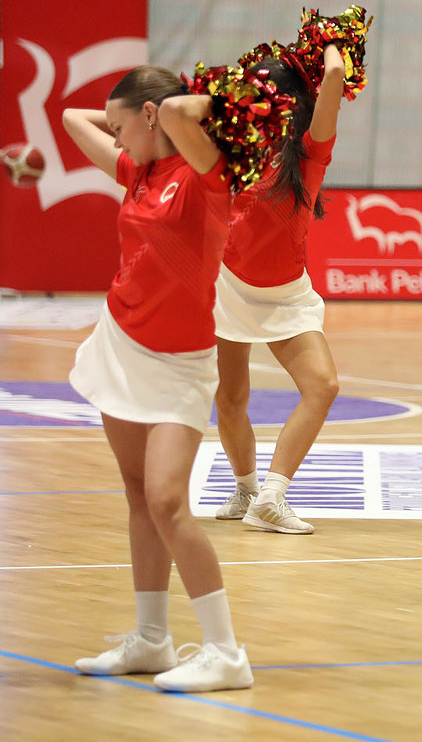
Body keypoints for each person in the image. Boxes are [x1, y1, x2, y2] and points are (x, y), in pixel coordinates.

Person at [62, 67, 260, 691]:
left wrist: (204, 100)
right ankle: (152, 640)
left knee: (169, 501)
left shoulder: (207, 176)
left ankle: (226, 653)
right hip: (121, 342)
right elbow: (71, 118)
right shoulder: (137, 170)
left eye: (122, 126)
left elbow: (176, 112)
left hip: (180, 362)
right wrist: (128, 119)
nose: (114, 138)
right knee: (138, 495)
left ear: (151, 116)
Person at [212, 45, 348, 534]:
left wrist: (324, 42)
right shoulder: (233, 150)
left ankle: (272, 496)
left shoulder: (310, 154)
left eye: (263, 94)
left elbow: (335, 74)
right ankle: (247, 489)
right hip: (228, 285)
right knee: (230, 398)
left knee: (323, 385)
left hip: (287, 293)